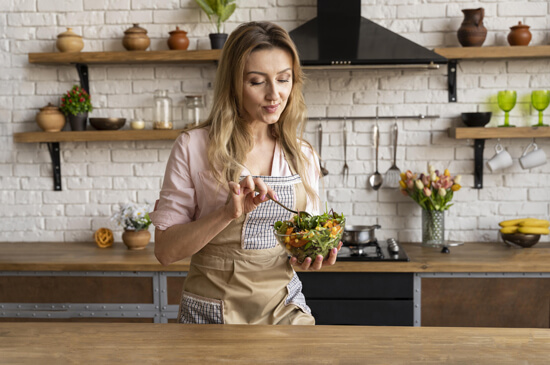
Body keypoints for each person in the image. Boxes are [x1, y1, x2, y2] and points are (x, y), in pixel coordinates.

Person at [150, 21, 340, 325]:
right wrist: (227, 212)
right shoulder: (193, 147)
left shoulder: (302, 154)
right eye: (256, 81)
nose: (274, 94)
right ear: (233, 84)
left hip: (284, 308)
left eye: (283, 79)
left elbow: (299, 249)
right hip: (212, 311)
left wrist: (309, 256)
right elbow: (166, 252)